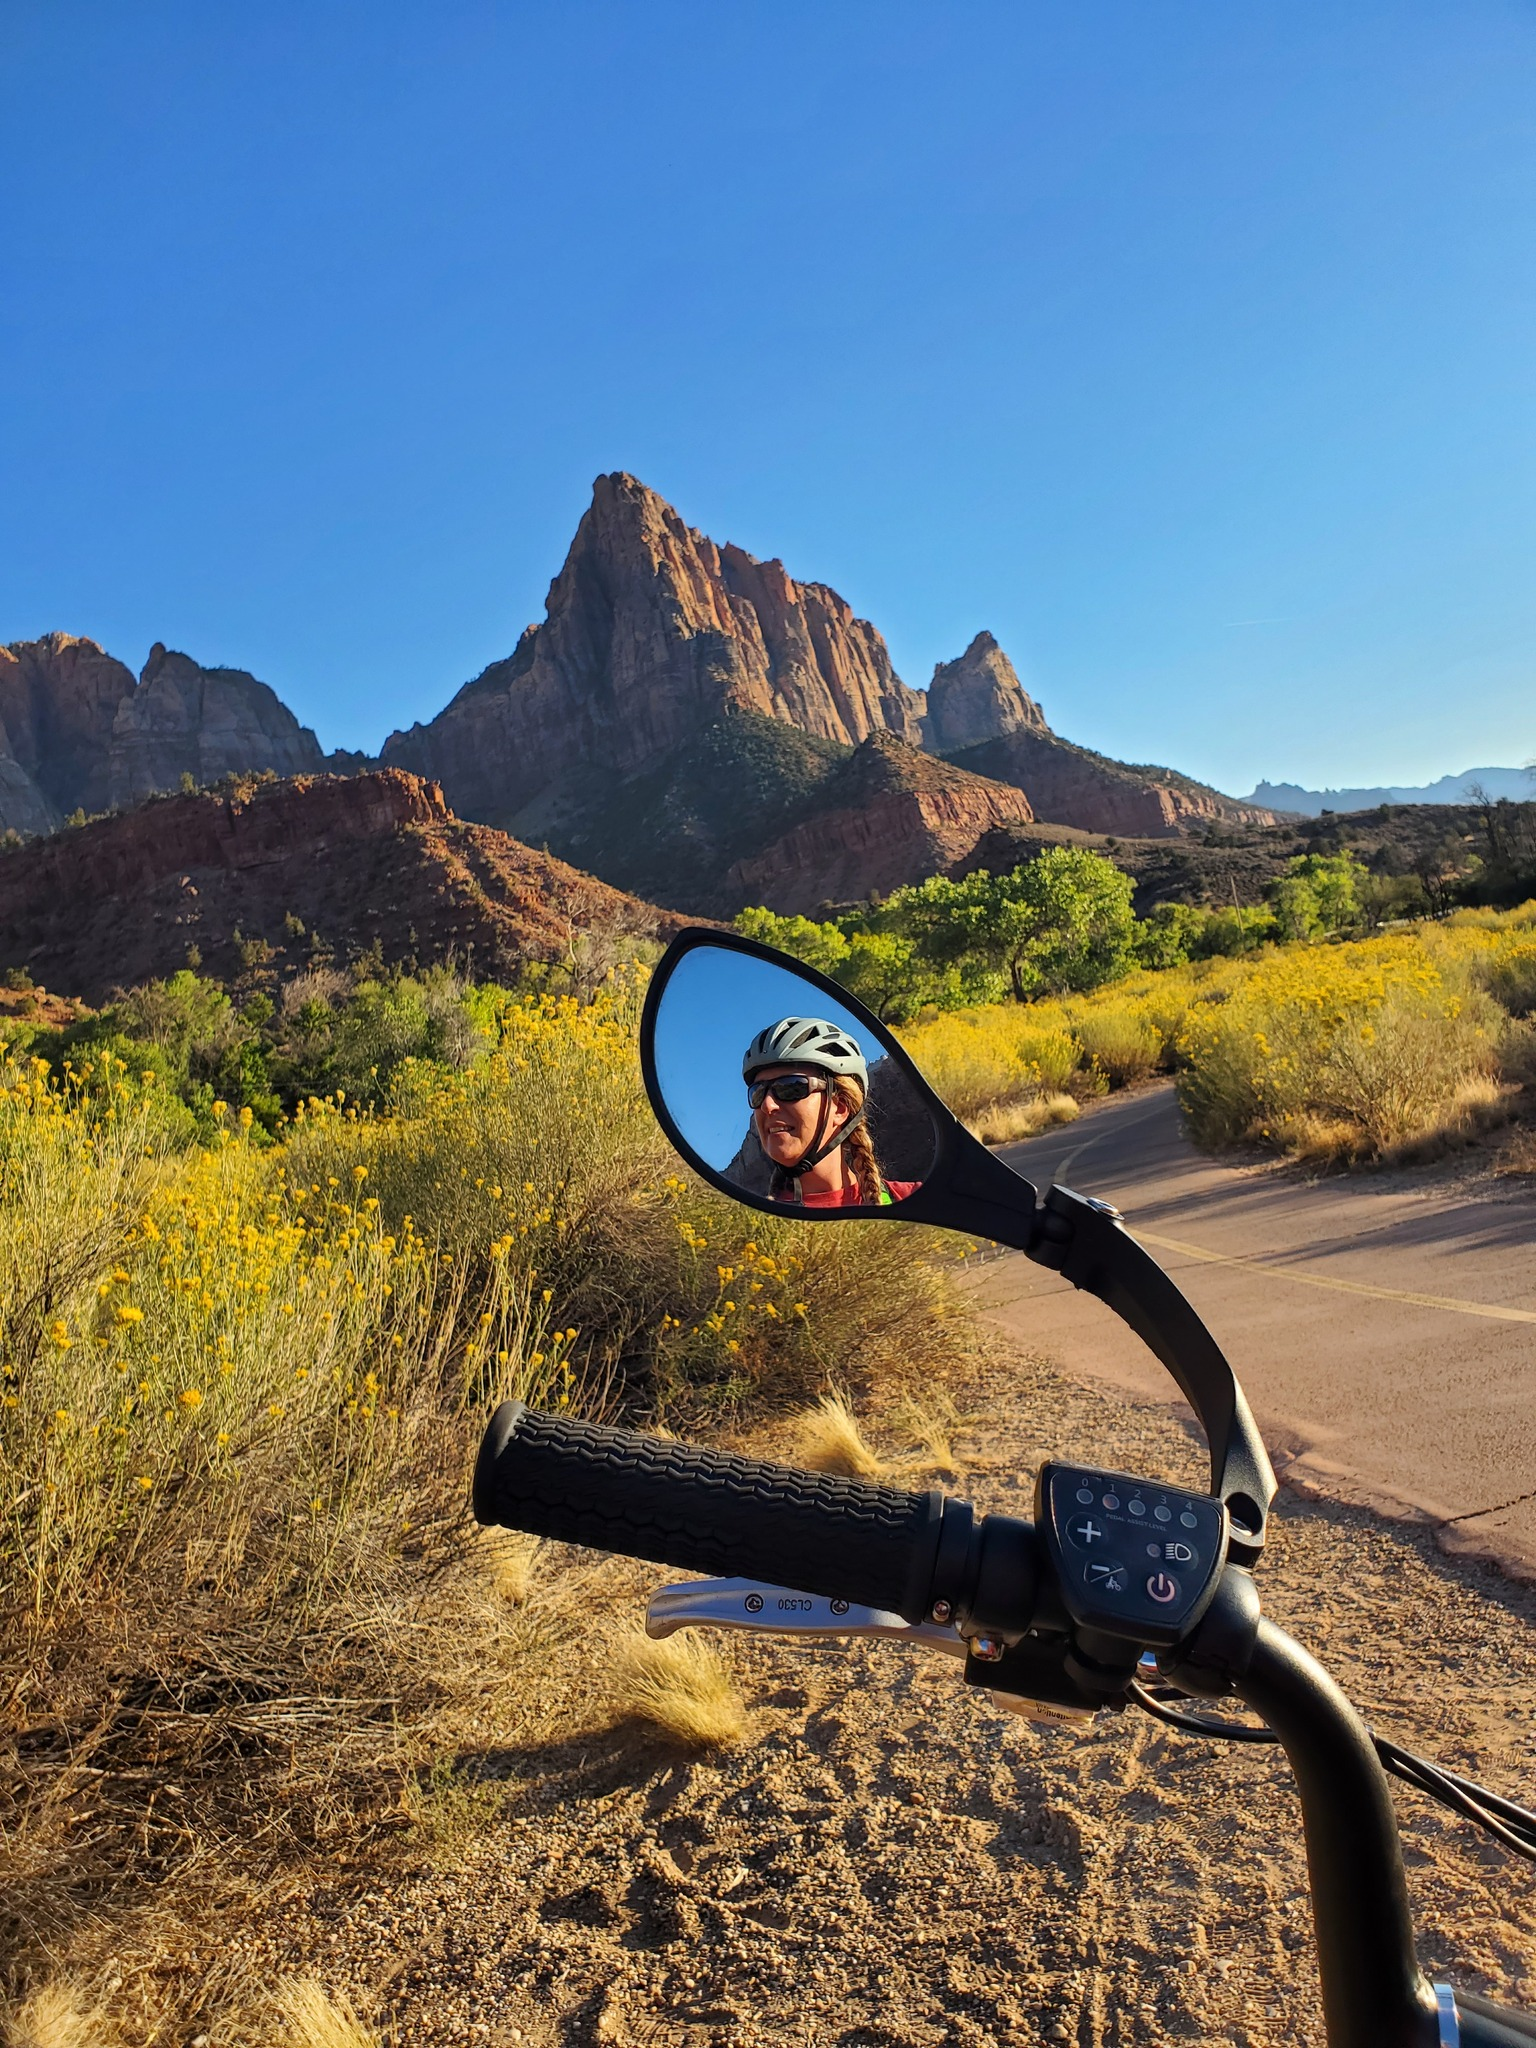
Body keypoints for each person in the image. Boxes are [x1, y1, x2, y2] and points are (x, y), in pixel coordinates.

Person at [741, 1017, 921, 1208]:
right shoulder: (753, 1218)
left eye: (790, 1087)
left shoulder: (913, 1199)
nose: (767, 1105)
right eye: (758, 1092)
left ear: (840, 1107)